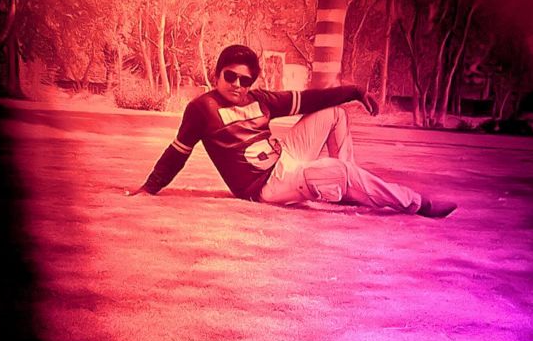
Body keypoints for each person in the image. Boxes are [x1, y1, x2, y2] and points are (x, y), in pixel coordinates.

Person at [126, 44, 457, 218]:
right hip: (266, 186)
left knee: (332, 113)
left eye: (245, 80)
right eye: (230, 76)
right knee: (339, 171)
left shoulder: (260, 99)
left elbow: (311, 99)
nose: (237, 84)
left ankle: (346, 190)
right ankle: (418, 204)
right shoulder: (202, 108)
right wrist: (149, 188)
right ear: (217, 74)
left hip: (286, 157)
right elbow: (177, 152)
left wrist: (355, 91)